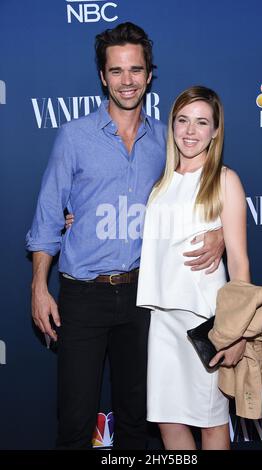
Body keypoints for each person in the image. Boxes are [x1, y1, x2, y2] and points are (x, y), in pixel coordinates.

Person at [26, 22, 224, 450]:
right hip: (83, 296)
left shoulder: (169, 141)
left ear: (149, 74)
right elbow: (46, 217)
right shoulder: (74, 137)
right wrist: (39, 286)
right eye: (117, 71)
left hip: (143, 296)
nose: (127, 80)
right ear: (103, 76)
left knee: (137, 421)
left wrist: (222, 231)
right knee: (76, 423)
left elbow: (199, 193)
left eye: (136, 70)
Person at [136, 86, 250, 450]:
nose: (190, 131)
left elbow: (239, 262)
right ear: (171, 126)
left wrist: (238, 332)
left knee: (211, 421)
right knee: (168, 422)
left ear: (215, 131)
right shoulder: (160, 183)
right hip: (163, 321)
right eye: (183, 121)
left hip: (205, 323)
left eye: (202, 123)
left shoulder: (224, 180)